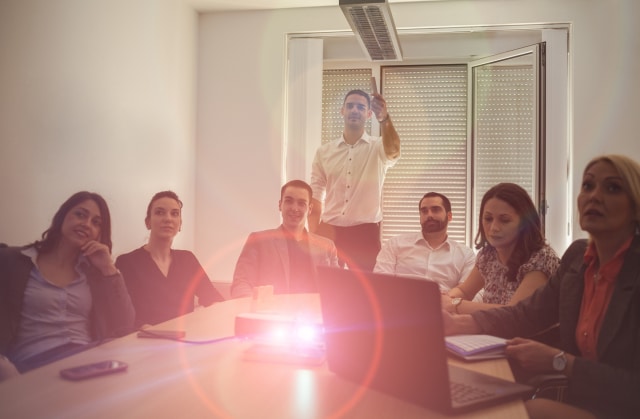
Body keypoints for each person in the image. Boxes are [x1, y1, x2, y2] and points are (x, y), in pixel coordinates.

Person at [444, 154, 640, 418]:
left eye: (613, 188)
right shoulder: (577, 258)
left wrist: (560, 362)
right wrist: (461, 323)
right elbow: (527, 313)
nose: (594, 196)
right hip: (583, 398)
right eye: (588, 186)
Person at [0, 191, 134, 378]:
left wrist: (108, 268)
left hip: (85, 360)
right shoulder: (13, 261)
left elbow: (125, 322)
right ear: (62, 216)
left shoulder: (94, 274)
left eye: (96, 223)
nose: (87, 224)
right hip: (29, 364)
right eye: (80, 214)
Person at [309, 88, 401, 271]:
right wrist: (313, 234)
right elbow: (316, 195)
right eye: (350, 106)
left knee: (365, 290)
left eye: (360, 107)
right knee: (325, 286)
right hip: (329, 229)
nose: (354, 110)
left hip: (364, 232)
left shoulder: (378, 147)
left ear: (368, 114)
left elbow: (393, 152)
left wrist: (384, 118)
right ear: (342, 111)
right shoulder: (324, 152)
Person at [442, 183, 560, 314]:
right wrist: (447, 299)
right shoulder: (487, 256)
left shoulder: (541, 258)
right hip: (492, 333)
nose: (494, 228)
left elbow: (512, 313)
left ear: (524, 223)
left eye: (504, 220)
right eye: (488, 219)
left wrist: (455, 305)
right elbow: (464, 291)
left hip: (529, 334)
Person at [116, 191, 224, 329]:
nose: (168, 219)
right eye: (160, 212)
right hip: (143, 341)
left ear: (180, 225)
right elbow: (121, 314)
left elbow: (212, 297)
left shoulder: (187, 260)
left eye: (174, 214)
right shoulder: (126, 263)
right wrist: (142, 328)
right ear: (148, 222)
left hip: (184, 341)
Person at [231, 180, 339, 298]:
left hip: (315, 314)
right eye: (289, 201)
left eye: (301, 203)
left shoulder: (327, 246)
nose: (294, 208)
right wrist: (255, 311)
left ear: (310, 209)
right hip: (270, 314)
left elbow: (337, 288)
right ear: (280, 205)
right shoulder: (258, 242)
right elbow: (241, 284)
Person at [374, 192, 479, 298]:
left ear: (449, 216)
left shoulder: (465, 255)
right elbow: (380, 282)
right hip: (399, 304)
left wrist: (448, 299)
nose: (429, 215)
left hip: (444, 309)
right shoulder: (395, 244)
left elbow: (469, 292)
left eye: (436, 209)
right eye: (424, 211)